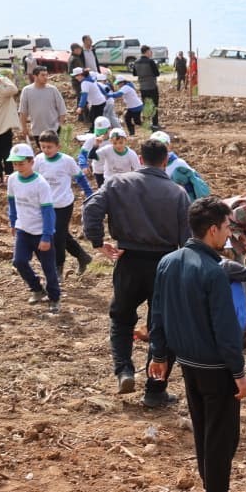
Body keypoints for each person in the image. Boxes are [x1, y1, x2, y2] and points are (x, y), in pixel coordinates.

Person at [148, 196, 246, 492]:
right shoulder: (213, 271)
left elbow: (157, 312)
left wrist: (159, 355)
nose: (228, 234)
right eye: (226, 227)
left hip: (188, 363)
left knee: (205, 432)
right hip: (217, 368)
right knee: (223, 436)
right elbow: (225, 329)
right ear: (211, 230)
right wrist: (239, 372)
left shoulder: (169, 262)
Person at [82, 137, 191, 403]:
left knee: (121, 318)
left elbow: (91, 207)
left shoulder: (118, 183)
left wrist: (97, 241)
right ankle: (155, 391)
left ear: (140, 159)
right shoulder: (177, 193)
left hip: (128, 259)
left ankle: (124, 370)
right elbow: (187, 238)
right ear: (165, 161)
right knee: (162, 325)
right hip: (165, 262)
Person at [5, 143, 61, 313]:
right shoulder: (13, 179)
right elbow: (12, 202)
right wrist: (13, 222)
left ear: (31, 162)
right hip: (23, 229)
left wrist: (46, 236)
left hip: (40, 231)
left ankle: (54, 298)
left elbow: (48, 212)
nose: (18, 167)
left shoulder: (41, 184)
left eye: (21, 163)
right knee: (19, 261)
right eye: (15, 164)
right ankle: (36, 288)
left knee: (48, 268)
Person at [34, 130, 93, 276]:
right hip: (45, 205)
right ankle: (82, 256)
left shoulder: (67, 161)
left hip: (63, 204)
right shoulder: (39, 160)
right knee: (61, 234)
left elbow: (79, 177)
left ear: (58, 146)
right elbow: (33, 178)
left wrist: (89, 193)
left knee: (57, 236)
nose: (46, 150)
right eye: (43, 147)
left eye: (49, 147)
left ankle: (58, 267)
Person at [19, 65, 66, 144]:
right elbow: (23, 111)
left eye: (46, 75)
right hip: (37, 130)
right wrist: (24, 128)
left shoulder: (53, 90)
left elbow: (62, 109)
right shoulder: (27, 90)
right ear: (35, 76)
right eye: (43, 75)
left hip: (54, 129)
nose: (46, 77)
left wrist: (60, 125)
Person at [133, 46, 161, 130]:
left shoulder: (136, 62)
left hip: (143, 87)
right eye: (150, 51)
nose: (151, 53)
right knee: (154, 106)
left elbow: (134, 74)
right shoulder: (150, 61)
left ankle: (146, 124)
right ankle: (155, 124)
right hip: (152, 86)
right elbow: (157, 73)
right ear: (147, 51)